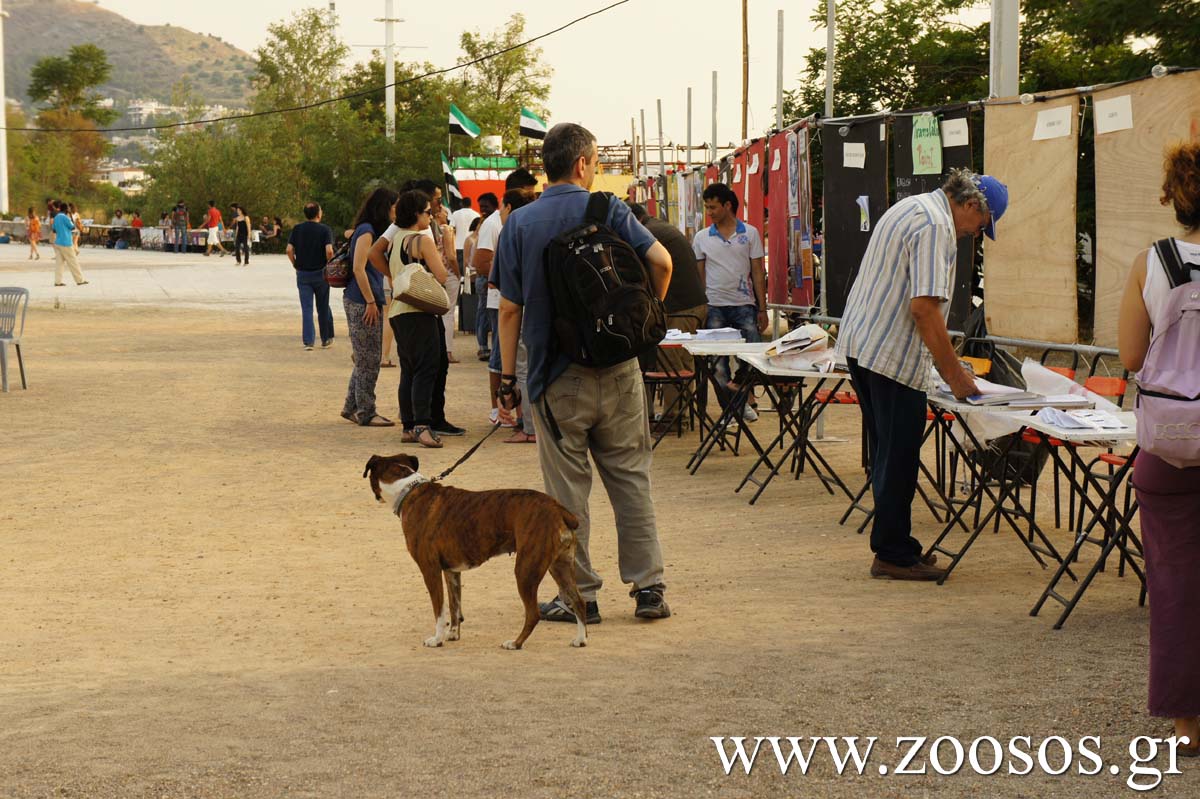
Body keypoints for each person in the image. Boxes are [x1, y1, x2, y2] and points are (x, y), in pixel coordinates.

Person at [495, 122, 673, 623]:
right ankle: (649, 588)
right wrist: (642, 324)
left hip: (555, 375)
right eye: (595, 161)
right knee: (631, 480)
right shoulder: (609, 210)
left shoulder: (519, 223)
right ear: (582, 163)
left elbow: (509, 309)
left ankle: (581, 596)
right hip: (618, 368)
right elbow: (661, 263)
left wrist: (507, 380)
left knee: (567, 494)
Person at [835, 168, 1007, 581]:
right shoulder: (935, 226)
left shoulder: (911, 207)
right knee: (898, 457)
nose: (975, 235)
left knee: (888, 453)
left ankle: (897, 545)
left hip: (865, 346)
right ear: (970, 205)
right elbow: (924, 309)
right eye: (981, 226)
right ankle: (893, 553)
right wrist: (955, 376)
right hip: (890, 354)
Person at [1117, 141, 1200, 758]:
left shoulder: (1151, 263)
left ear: (1173, 196)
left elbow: (1128, 356)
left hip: (1168, 444)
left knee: (1174, 587)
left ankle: (1187, 722)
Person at [628, 201, 708, 424]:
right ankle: (681, 414)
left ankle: (673, 417)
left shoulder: (646, 234)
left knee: (670, 363)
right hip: (692, 304)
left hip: (679, 308)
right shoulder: (659, 228)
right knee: (682, 362)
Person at [692, 183, 767, 419]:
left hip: (744, 305)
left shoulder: (750, 233)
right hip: (714, 307)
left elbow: (758, 272)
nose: (709, 212)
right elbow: (699, 276)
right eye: (707, 207)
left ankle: (739, 399)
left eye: (713, 207)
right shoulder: (701, 238)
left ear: (727, 205)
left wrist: (762, 308)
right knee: (717, 365)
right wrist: (702, 307)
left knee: (752, 357)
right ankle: (734, 410)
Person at [387, 190, 452, 448]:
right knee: (427, 368)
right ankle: (423, 425)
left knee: (409, 370)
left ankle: (408, 426)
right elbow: (442, 275)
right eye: (427, 212)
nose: (431, 216)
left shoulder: (396, 240)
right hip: (419, 310)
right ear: (416, 214)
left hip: (398, 311)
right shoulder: (421, 240)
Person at [477, 171, 538, 426]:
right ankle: (503, 411)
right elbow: (481, 262)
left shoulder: (518, 226)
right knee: (504, 358)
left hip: (514, 303)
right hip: (505, 303)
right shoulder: (498, 225)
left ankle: (523, 419)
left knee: (516, 362)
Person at [342, 187, 398, 427]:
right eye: (394, 207)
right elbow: (358, 268)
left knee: (365, 357)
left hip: (363, 298)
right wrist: (370, 301)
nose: (396, 211)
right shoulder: (367, 231)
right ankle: (366, 411)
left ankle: (351, 406)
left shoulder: (369, 230)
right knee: (370, 359)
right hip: (362, 300)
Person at [496, 188, 538, 444]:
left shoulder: (513, 230)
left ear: (509, 208)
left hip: (524, 313)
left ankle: (531, 428)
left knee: (523, 370)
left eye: (501, 208)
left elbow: (508, 303)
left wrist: (506, 379)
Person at [287, 201, 336, 350]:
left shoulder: (297, 229)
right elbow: (329, 251)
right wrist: (329, 265)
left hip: (303, 274)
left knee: (307, 308)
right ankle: (326, 338)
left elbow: (289, 249)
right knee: (323, 306)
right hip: (321, 273)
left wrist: (295, 263)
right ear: (318, 214)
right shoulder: (325, 229)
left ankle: (309, 341)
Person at [473, 193, 499, 361]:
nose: (482, 210)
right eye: (481, 207)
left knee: (487, 313)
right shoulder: (488, 224)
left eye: (485, 206)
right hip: (486, 277)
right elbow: (480, 259)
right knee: (485, 313)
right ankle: (483, 347)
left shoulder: (491, 223)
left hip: (488, 277)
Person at [434, 203, 460, 363]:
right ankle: (448, 351)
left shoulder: (429, 230)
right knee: (448, 314)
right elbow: (451, 255)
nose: (446, 214)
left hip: (434, 273)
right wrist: (458, 273)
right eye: (444, 212)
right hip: (448, 273)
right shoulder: (447, 230)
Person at [51, 201, 87, 286]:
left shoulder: (56, 217)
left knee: (59, 263)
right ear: (66, 209)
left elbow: (54, 230)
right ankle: (80, 280)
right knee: (73, 262)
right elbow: (72, 227)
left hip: (58, 242)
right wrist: (70, 215)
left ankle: (57, 281)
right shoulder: (65, 217)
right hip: (66, 242)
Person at [449, 196, 480, 272]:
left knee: (461, 271)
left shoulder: (455, 214)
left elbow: (451, 229)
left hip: (458, 246)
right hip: (472, 245)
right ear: (470, 204)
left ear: (461, 204)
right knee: (471, 270)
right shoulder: (476, 215)